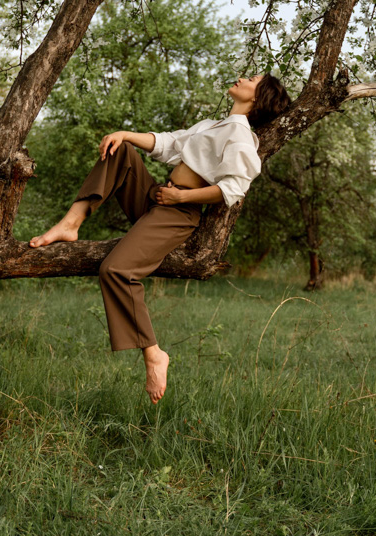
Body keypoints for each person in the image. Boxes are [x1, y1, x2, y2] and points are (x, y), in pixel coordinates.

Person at [29, 73, 292, 403]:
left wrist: (182, 199)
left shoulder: (241, 137)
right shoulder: (214, 124)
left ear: (258, 97)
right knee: (122, 150)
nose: (242, 77)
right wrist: (124, 133)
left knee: (116, 270)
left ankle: (154, 354)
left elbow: (232, 190)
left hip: (178, 212)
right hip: (159, 197)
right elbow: (169, 144)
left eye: (252, 79)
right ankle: (71, 223)